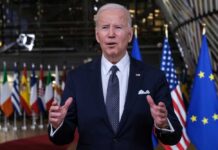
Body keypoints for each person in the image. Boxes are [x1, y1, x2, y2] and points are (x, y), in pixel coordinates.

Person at [48, 3, 182, 150]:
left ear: (130, 35)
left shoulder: (153, 77)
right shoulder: (77, 78)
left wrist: (163, 124)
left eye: (118, 27)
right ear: (97, 35)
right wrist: (58, 124)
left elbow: (173, 137)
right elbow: (63, 138)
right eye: (105, 27)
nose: (111, 34)